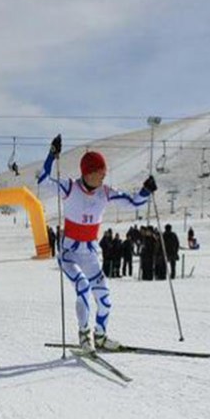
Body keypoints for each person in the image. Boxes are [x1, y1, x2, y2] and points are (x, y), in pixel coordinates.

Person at [38, 134, 156, 351]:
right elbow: (43, 180)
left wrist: (146, 190)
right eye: (100, 172)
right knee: (83, 287)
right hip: (70, 254)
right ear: (88, 173)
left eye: (104, 172)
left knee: (104, 299)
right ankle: (84, 335)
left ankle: (100, 336)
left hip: (91, 254)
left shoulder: (105, 192)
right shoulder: (70, 188)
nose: (104, 176)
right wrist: (52, 155)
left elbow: (133, 203)